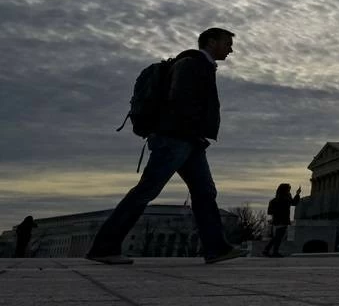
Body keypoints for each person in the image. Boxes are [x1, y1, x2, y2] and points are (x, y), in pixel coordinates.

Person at [86, 28, 242, 265]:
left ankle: (216, 247)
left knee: (204, 192)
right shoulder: (192, 64)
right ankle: (104, 247)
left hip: (187, 139)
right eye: (227, 43)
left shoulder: (199, 65)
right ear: (211, 42)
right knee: (146, 190)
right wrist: (192, 133)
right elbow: (180, 102)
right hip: (176, 139)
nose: (231, 49)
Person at [263, 184, 302, 257]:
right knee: (278, 237)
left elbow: (270, 212)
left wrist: (297, 194)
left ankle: (268, 250)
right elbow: (294, 203)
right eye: (288, 189)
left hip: (278, 220)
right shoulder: (284, 199)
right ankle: (273, 251)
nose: (289, 191)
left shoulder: (275, 200)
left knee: (277, 236)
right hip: (282, 220)